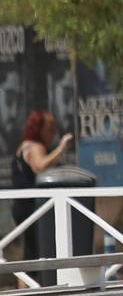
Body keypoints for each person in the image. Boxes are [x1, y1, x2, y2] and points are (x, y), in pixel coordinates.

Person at [11, 111, 74, 284]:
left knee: (30, 253)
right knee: (38, 252)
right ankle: (35, 289)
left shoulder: (24, 145)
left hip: (21, 206)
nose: (53, 132)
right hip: (33, 207)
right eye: (50, 128)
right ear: (39, 129)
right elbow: (40, 167)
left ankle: (25, 289)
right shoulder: (35, 147)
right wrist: (61, 149)